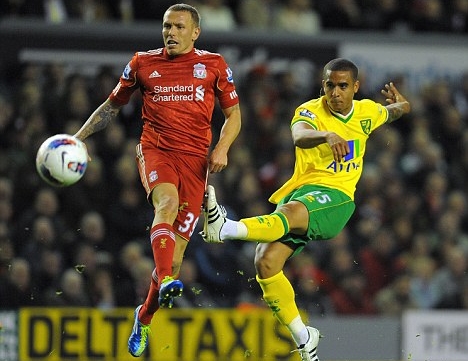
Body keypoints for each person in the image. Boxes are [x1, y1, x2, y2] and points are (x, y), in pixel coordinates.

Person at [201, 58, 410, 361]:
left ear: (355, 87)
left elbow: (392, 112)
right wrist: (326, 135)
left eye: (342, 86)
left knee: (288, 216)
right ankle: (303, 336)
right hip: (304, 192)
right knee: (266, 261)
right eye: (329, 85)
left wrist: (402, 105)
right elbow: (299, 135)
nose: (335, 92)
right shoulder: (310, 110)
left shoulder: (366, 111)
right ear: (322, 85)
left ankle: (226, 228)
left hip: (337, 199)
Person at [73, 3, 241, 357]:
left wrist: (223, 148)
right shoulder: (142, 64)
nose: (171, 33)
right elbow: (111, 106)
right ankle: (165, 280)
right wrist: (78, 138)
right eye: (167, 26)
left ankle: (144, 316)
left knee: (175, 259)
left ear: (195, 32)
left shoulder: (213, 65)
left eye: (179, 27)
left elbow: (233, 115)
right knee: (164, 204)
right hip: (157, 151)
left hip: (196, 163)